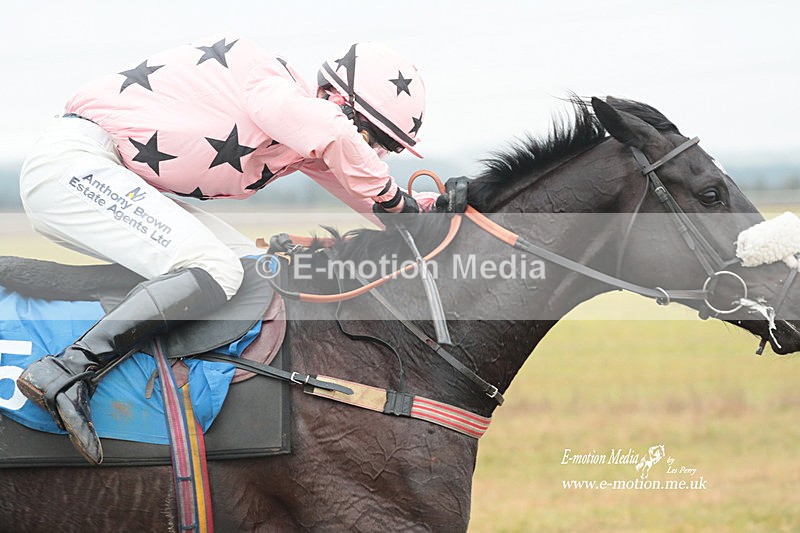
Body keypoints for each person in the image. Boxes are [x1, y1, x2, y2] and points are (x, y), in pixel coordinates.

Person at [16, 35, 436, 464]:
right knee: (215, 266)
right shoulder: (272, 83)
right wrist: (393, 198)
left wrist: (435, 214)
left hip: (114, 176)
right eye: (369, 135)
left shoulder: (302, 138)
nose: (372, 151)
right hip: (77, 164)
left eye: (384, 146)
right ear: (333, 97)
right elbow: (340, 141)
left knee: (249, 266)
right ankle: (67, 372)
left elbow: (365, 192)